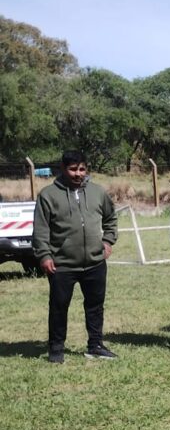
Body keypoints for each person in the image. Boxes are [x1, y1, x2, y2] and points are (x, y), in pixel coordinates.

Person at [32, 150, 118, 363]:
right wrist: (44, 256)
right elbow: (41, 229)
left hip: (95, 262)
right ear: (63, 168)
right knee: (59, 307)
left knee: (95, 305)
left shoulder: (98, 192)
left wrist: (107, 241)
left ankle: (95, 345)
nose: (78, 174)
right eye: (73, 169)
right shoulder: (48, 195)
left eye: (82, 169)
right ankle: (56, 349)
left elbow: (110, 218)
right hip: (62, 264)